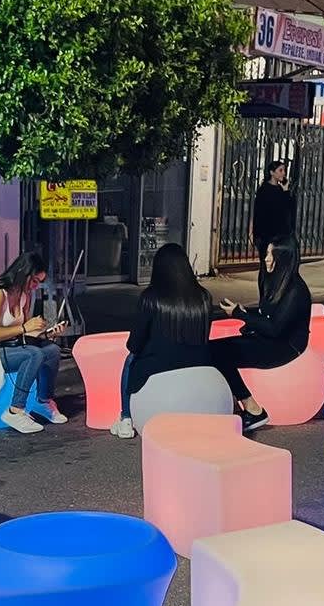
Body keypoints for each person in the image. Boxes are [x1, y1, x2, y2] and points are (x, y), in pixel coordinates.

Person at [108, 243, 212, 439]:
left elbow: (134, 344)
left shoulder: (151, 298)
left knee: (130, 360)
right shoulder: (204, 297)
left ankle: (126, 417)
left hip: (157, 368)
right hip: (200, 366)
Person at [209, 236, 311, 433]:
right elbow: (268, 314)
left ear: (285, 259)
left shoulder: (296, 290)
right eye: (266, 254)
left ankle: (253, 409)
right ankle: (233, 405)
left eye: (272, 255)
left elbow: (275, 327)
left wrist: (239, 315)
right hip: (270, 339)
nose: (266, 259)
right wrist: (245, 312)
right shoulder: (273, 282)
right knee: (213, 348)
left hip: (286, 347)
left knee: (220, 353)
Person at [0, 251, 68, 435]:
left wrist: (48, 333)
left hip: (10, 345)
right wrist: (25, 328)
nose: (36, 287)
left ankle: (43, 401)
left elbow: (25, 333)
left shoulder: (24, 295)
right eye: (35, 281)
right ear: (24, 273)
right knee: (33, 354)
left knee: (52, 350)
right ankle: (15, 410)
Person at [250, 161, 294, 291]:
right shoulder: (264, 190)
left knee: (278, 266)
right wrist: (254, 232)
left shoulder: (281, 190)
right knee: (266, 265)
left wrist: (286, 191)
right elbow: (258, 213)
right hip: (265, 235)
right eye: (280, 170)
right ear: (272, 173)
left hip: (279, 235)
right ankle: (264, 291)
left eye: (284, 170)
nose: (283, 173)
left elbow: (288, 209)